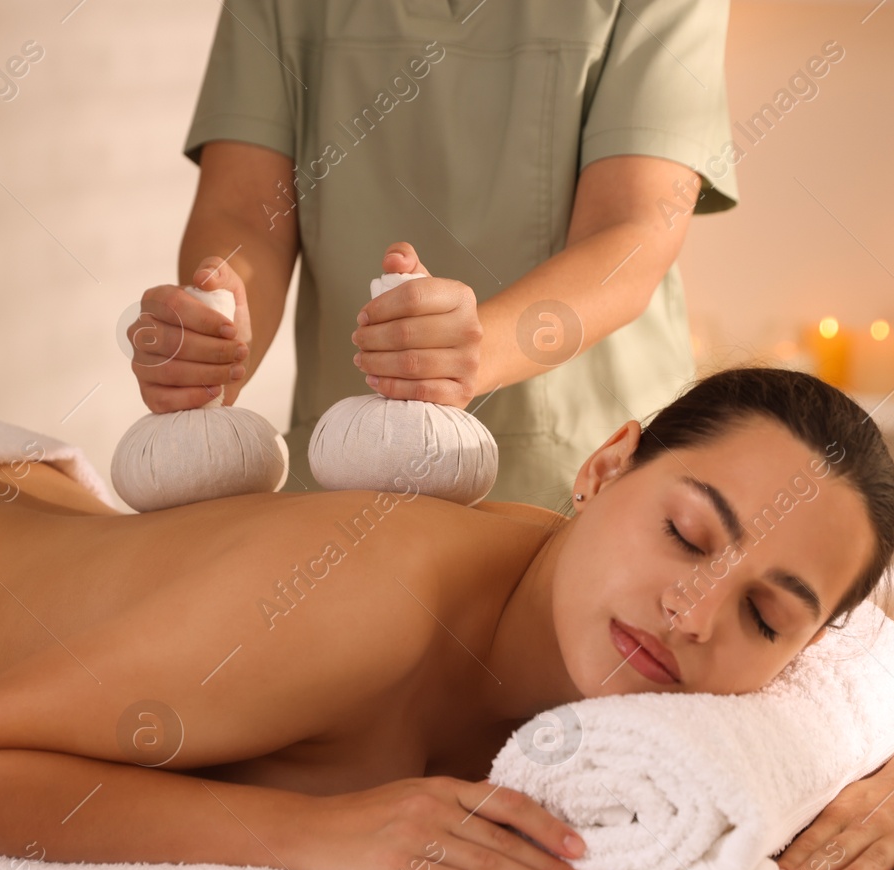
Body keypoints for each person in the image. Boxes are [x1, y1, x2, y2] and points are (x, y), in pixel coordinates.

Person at [0, 368, 894, 870]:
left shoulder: (710, 684)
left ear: (805, 650)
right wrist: (309, 833)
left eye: (768, 613)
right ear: (606, 466)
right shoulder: (361, 593)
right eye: (684, 531)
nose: (697, 612)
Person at [125, 0, 739, 507]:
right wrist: (218, 327)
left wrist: (470, 351)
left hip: (584, 472)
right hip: (354, 484)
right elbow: (244, 212)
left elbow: (631, 229)